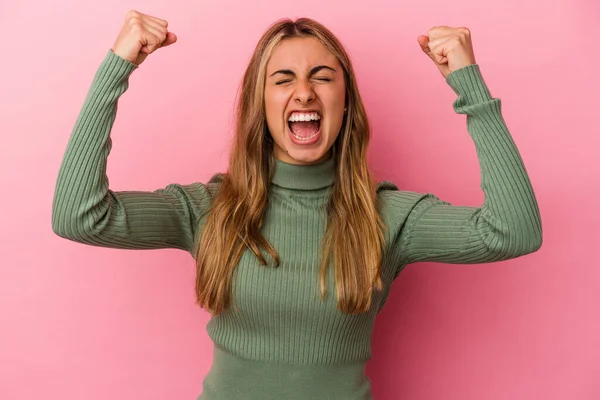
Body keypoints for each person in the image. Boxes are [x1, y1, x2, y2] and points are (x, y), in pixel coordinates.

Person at [51, 10, 543, 400]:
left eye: (322, 77)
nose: (303, 91)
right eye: (282, 78)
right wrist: (117, 67)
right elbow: (79, 215)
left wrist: (470, 86)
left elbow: (513, 231)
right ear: (260, 103)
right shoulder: (208, 208)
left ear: (345, 100)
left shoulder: (389, 216)